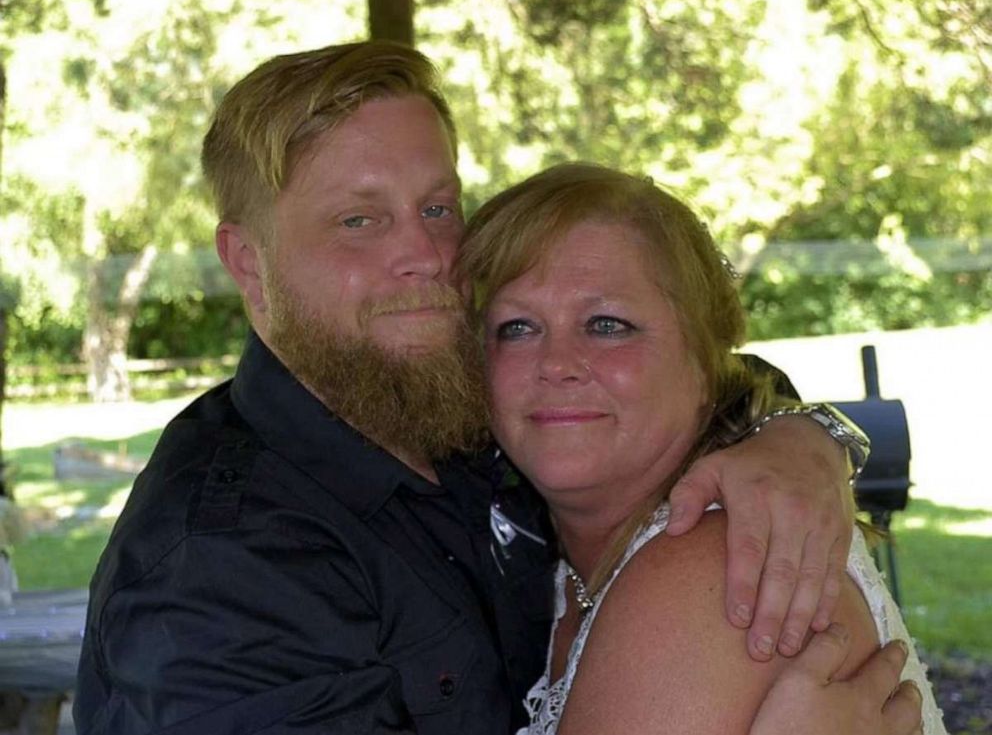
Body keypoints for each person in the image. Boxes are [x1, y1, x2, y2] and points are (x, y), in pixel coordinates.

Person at [73, 42, 918, 735]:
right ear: (248, 264)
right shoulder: (223, 572)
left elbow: (660, 384)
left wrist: (807, 438)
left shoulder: (448, 403)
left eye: (437, 208)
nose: (425, 253)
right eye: (359, 220)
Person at [459, 162, 944, 734]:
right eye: (516, 327)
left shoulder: (709, 575)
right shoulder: (556, 564)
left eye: (607, 324)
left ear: (707, 359)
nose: (557, 364)